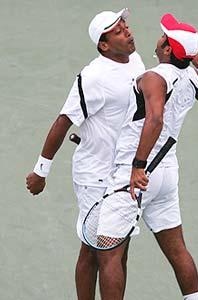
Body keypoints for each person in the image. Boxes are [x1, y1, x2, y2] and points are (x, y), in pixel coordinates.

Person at [95, 13, 198, 300]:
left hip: (135, 176)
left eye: (163, 37)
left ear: (167, 49)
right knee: (177, 249)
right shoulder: (193, 78)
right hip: (167, 175)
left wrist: (137, 166)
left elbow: (154, 119)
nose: (158, 39)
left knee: (108, 254)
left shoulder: (154, 77)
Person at [25, 8, 145, 300]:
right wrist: (40, 171)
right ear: (103, 45)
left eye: (124, 25)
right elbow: (63, 120)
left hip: (126, 173)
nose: (127, 31)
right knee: (108, 251)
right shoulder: (93, 77)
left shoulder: (138, 62)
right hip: (96, 177)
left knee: (109, 249)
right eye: (118, 31)